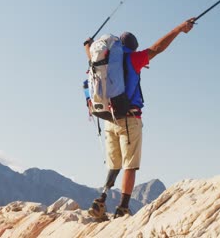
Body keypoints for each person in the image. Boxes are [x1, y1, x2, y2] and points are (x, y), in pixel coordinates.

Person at [84, 17, 196, 219]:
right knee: (130, 164)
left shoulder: (103, 61)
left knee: (114, 164)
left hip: (109, 118)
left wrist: (88, 44)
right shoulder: (133, 59)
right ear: (133, 49)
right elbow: (157, 48)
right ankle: (122, 208)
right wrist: (179, 28)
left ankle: (101, 199)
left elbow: (88, 51)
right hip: (129, 119)